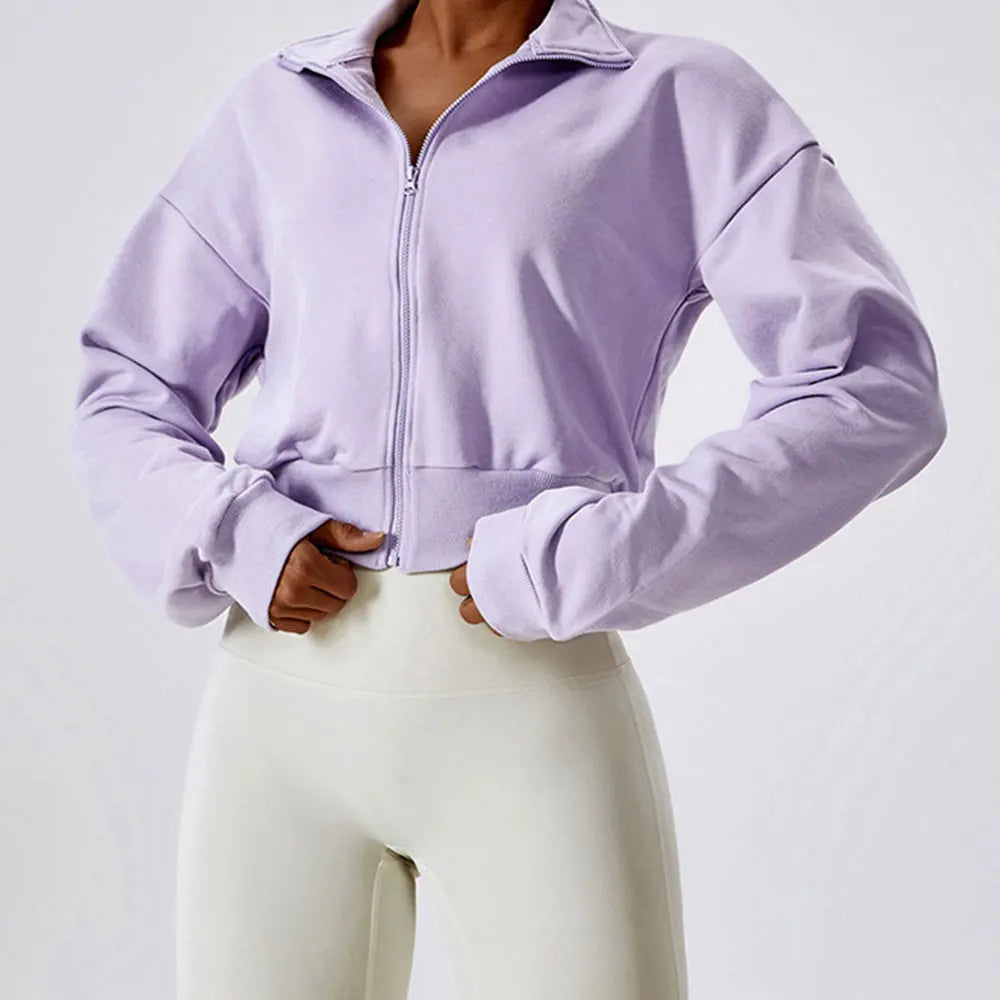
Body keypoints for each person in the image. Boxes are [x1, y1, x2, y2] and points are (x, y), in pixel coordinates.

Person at [67, 0, 948, 996]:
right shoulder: (278, 106)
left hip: (528, 704)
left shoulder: (678, 100)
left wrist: (603, 553)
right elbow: (126, 384)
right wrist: (236, 531)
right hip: (276, 713)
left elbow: (875, 389)